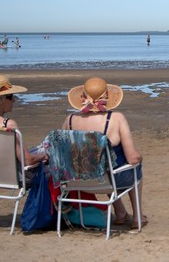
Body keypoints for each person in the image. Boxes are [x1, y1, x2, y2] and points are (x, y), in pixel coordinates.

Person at [63, 77, 146, 228]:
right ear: (107, 97)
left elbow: (63, 152)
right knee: (135, 167)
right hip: (107, 179)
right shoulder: (115, 119)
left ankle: (120, 211)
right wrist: (140, 156)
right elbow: (132, 158)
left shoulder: (70, 119)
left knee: (99, 161)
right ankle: (137, 216)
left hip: (77, 180)